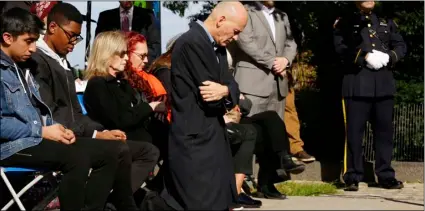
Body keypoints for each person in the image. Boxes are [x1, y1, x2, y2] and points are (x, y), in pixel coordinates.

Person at [24, 3, 160, 203]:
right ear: (52, 28)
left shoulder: (61, 62)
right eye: (71, 35)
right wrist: (97, 134)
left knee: (134, 149)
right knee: (117, 151)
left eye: (77, 38)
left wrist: (100, 132)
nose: (74, 43)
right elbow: (51, 113)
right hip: (54, 137)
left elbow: (76, 113)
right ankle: (104, 204)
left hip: (73, 133)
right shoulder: (38, 62)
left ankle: (113, 203)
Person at [0, 8, 123, 210]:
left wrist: (56, 128)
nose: (33, 48)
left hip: (33, 139)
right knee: (76, 159)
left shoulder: (20, 68)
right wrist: (42, 131)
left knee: (110, 153)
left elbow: (35, 111)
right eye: (28, 41)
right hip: (10, 147)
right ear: (7, 38)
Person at [159, 2, 248, 210]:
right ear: (221, 20)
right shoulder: (193, 43)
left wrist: (226, 90)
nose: (236, 38)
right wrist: (229, 93)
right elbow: (212, 100)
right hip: (195, 142)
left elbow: (230, 86)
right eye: (235, 31)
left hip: (210, 139)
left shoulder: (215, 46)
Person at [333, 0, 406, 191]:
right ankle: (352, 175)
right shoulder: (345, 22)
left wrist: (390, 56)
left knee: (384, 133)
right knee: (354, 133)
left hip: (383, 85)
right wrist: (363, 56)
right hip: (357, 83)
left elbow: (400, 45)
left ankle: (385, 175)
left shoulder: (386, 21)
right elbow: (340, 48)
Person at [230, 1, 297, 121]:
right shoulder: (245, 11)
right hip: (252, 87)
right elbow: (245, 42)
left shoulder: (282, 16)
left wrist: (286, 60)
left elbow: (291, 43)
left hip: (278, 87)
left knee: (275, 134)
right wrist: (274, 62)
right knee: (251, 133)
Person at [95, 1, 160, 63]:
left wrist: (141, 62)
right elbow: (99, 45)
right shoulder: (105, 17)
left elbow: (154, 46)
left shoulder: (148, 16)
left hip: (140, 68)